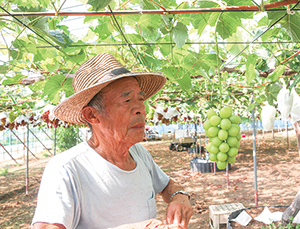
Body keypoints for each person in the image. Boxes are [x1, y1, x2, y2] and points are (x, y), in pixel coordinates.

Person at [31, 53, 193, 229]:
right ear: (92, 115)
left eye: (140, 99)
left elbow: (167, 185)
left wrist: (179, 196)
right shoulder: (66, 169)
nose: (141, 109)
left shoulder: (138, 154)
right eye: (126, 100)